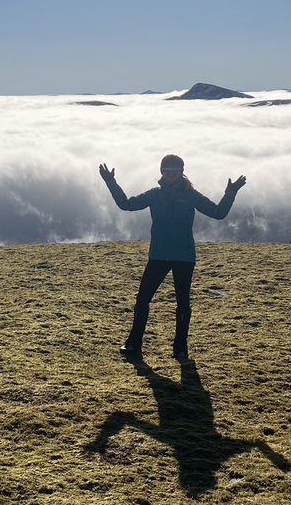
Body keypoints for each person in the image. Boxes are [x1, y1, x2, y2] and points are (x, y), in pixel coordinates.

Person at [99, 154, 245, 362]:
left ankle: (180, 348)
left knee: (182, 303)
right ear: (161, 172)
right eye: (167, 171)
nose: (170, 174)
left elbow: (218, 212)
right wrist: (110, 181)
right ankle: (134, 344)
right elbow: (126, 204)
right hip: (159, 255)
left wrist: (231, 192)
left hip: (183, 257)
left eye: (175, 170)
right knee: (142, 300)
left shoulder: (191, 195)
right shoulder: (154, 195)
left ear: (182, 172)